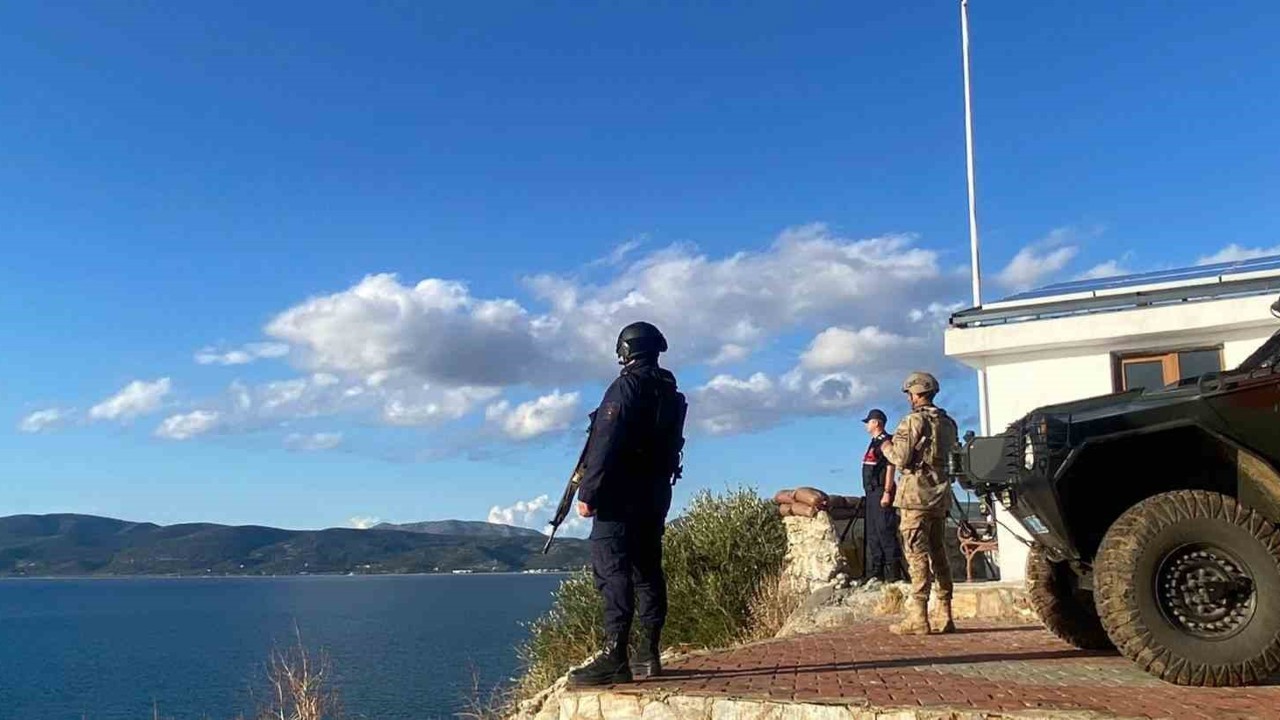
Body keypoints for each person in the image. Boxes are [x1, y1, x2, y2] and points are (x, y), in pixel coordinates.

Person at [567, 321, 686, 687]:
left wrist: (587, 493)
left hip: (619, 495)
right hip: (655, 493)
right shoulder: (671, 392)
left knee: (613, 571)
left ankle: (614, 656)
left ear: (626, 350)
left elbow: (605, 442)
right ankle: (648, 654)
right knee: (648, 570)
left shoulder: (626, 386)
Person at [878, 371, 959, 635]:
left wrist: (884, 445)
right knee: (939, 552)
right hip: (939, 494)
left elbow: (900, 459)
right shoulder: (948, 423)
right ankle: (945, 613)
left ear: (915, 394)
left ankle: (919, 617)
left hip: (915, 496)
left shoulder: (912, 421)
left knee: (916, 554)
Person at [860, 408, 903, 584]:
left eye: (869, 422)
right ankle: (876, 572)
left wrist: (887, 492)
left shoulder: (886, 441)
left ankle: (893, 573)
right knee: (873, 533)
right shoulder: (874, 442)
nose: (866, 425)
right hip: (870, 492)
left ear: (876, 423)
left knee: (885, 531)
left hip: (880, 491)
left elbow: (890, 466)